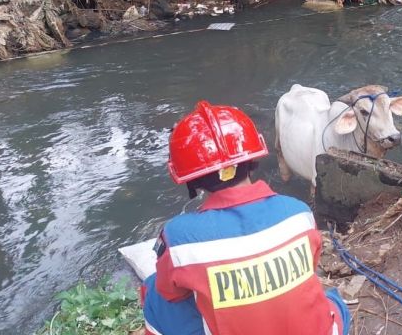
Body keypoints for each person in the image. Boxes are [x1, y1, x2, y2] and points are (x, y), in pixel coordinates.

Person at [142, 101, 351, 335]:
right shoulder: (299, 212)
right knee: (332, 299)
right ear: (252, 160)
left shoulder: (180, 238)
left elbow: (171, 293)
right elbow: (310, 265)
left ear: (190, 179)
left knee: (153, 292)